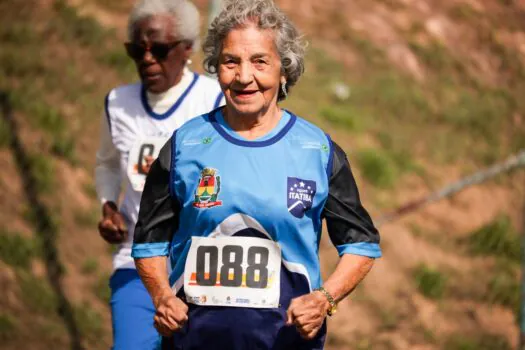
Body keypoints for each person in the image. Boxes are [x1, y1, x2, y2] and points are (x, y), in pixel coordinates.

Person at [131, 0, 381, 349]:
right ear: (216, 68)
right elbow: (148, 243)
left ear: (284, 71)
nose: (244, 76)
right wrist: (161, 297)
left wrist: (324, 299)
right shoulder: (184, 145)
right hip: (193, 342)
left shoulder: (318, 151)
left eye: (259, 61)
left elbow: (361, 245)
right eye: (230, 61)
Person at [95, 0, 224, 348]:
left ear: (187, 50)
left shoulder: (214, 102)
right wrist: (108, 205)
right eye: (137, 50)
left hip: (202, 267)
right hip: (136, 263)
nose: (148, 59)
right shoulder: (117, 104)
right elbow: (107, 162)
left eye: (160, 49)